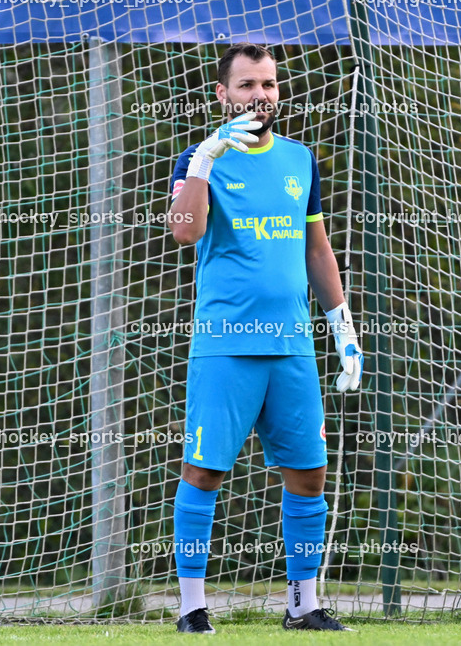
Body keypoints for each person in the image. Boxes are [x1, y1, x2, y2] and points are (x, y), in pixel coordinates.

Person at [167, 42, 363, 633]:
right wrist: (203, 162)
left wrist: (343, 327)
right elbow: (184, 232)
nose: (261, 96)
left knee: (309, 475)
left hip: (293, 348)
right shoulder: (198, 157)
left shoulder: (300, 160)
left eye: (270, 85)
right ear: (222, 94)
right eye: (248, 85)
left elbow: (316, 248)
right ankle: (191, 609)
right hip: (225, 346)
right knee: (204, 471)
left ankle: (303, 607)